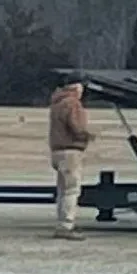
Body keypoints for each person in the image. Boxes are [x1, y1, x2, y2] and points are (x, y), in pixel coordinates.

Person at [46, 83, 95, 240]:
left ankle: (63, 223)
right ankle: (66, 225)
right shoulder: (72, 103)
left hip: (57, 151)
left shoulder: (56, 103)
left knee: (62, 190)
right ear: (75, 89)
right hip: (70, 151)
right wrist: (87, 136)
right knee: (71, 190)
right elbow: (76, 126)